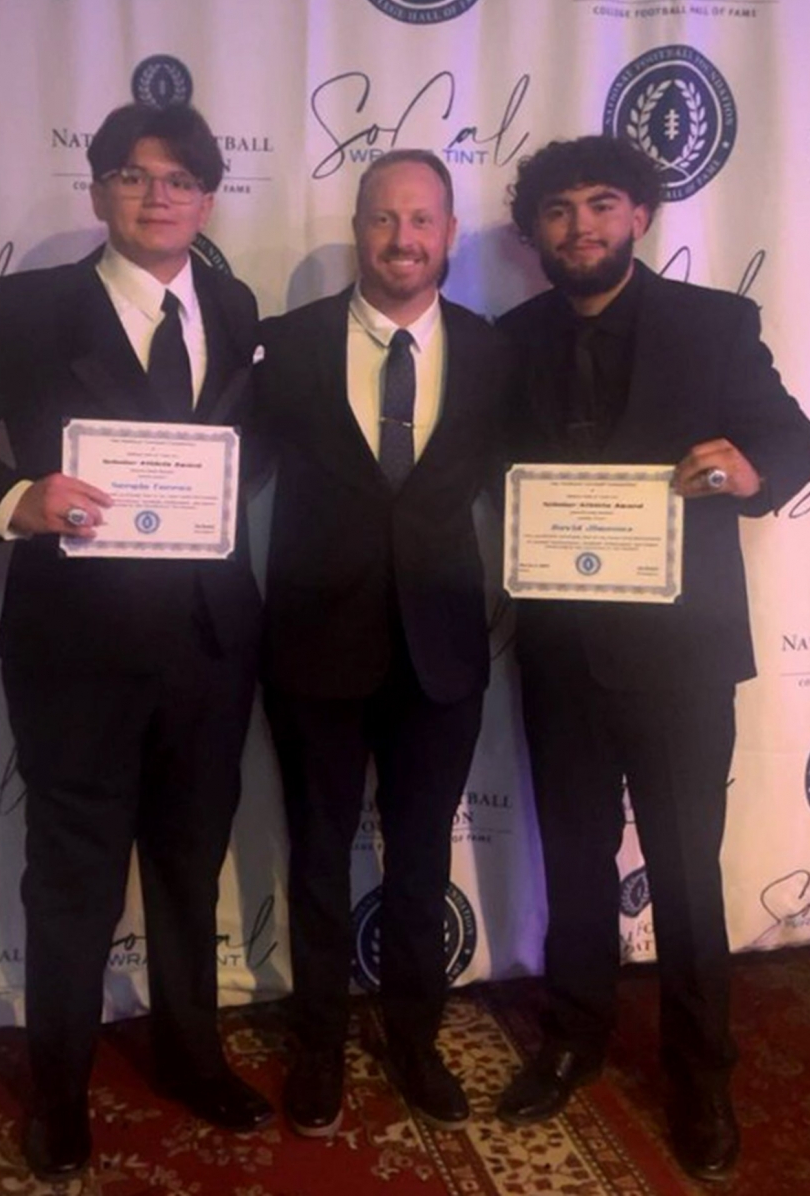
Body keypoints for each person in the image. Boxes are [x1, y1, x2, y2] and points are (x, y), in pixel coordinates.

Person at [0, 102, 274, 1182]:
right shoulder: (31, 309)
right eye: (134, 176)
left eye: (180, 179)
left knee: (192, 870)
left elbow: (245, 447)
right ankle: (58, 1096)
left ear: (207, 197)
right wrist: (16, 496)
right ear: (99, 190)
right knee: (74, 883)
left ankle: (192, 1056)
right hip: (76, 650)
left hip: (207, 644)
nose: (159, 197)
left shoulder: (235, 303)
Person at [495, 135, 810, 1183]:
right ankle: (576, 1039)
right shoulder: (508, 339)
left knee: (684, 875)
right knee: (575, 870)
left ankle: (699, 1076)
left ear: (638, 214)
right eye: (556, 210)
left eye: (599, 204)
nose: (578, 226)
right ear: (534, 229)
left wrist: (747, 463)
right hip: (558, 652)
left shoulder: (715, 324)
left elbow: (791, 438)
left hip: (679, 660)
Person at [257, 150, 510, 1137]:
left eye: (421, 220)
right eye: (381, 218)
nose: (401, 238)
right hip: (312, 650)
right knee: (317, 857)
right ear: (357, 228)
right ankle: (317, 1045)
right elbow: (209, 468)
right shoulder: (285, 345)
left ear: (446, 233)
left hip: (441, 653)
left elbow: (543, 478)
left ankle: (414, 1040)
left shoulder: (495, 351)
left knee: (418, 864)